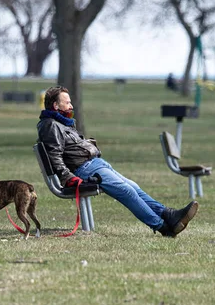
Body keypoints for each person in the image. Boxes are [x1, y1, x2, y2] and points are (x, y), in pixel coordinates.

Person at [36, 86, 198, 237]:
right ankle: (163, 227)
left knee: (134, 187)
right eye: (67, 102)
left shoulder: (62, 123)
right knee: (126, 191)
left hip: (95, 164)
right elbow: (54, 155)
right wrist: (68, 178)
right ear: (56, 105)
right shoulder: (50, 125)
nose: (71, 105)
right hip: (85, 169)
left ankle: (169, 215)